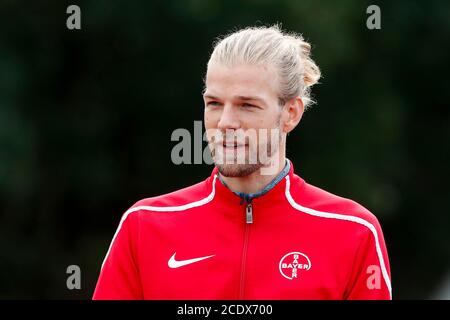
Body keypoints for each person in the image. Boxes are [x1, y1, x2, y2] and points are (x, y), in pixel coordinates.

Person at [93, 25, 392, 300]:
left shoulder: (354, 233)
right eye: (214, 104)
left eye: (247, 105)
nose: (225, 123)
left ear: (291, 113)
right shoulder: (143, 226)